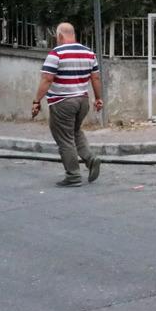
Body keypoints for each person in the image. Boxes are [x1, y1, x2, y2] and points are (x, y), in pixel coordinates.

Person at [30, 22, 103, 187]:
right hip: (82, 101)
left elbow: (47, 79)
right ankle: (91, 159)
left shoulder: (56, 53)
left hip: (62, 102)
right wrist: (98, 98)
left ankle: (73, 175)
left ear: (60, 36)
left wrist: (36, 101)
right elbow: (96, 78)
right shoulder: (89, 52)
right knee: (75, 132)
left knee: (64, 138)